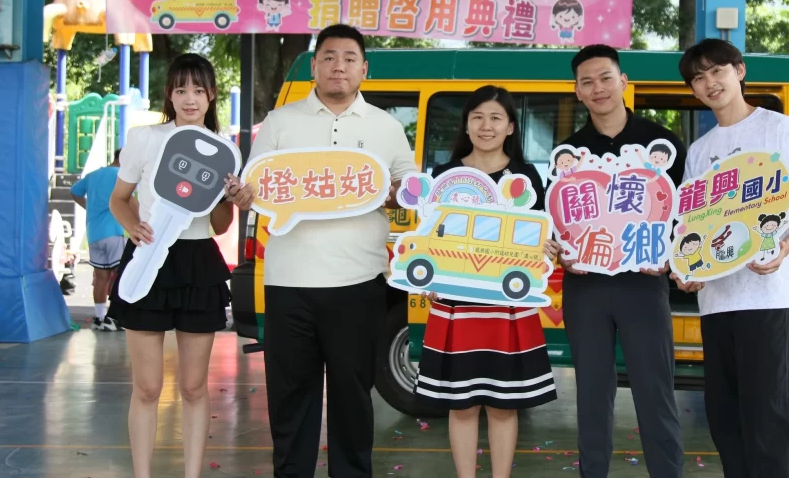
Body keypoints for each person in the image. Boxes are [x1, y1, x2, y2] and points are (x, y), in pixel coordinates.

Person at [238, 24, 417, 478]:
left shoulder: (386, 127)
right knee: (290, 397)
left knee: (352, 398)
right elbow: (254, 185)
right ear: (315, 65)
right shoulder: (280, 122)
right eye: (330, 57)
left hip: (358, 283)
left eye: (350, 58)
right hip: (288, 283)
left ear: (364, 69)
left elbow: (411, 190)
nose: (340, 66)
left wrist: (396, 194)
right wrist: (242, 195)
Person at [674, 39, 789, 478]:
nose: (709, 83)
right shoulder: (700, 151)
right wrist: (688, 272)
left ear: (739, 71)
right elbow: (693, 229)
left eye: (716, 71)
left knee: (769, 416)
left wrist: (785, 247)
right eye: (698, 78)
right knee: (725, 416)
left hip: (767, 297)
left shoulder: (779, 129)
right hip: (717, 302)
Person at [107, 53, 254, 478]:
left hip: (198, 264)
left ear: (211, 96)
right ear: (169, 95)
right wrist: (133, 226)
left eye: (198, 90)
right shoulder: (144, 138)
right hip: (148, 260)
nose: (190, 98)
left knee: (193, 386)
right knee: (147, 387)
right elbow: (118, 199)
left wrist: (231, 198)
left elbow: (220, 224)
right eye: (181, 89)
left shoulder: (225, 152)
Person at [546, 44, 686, 478]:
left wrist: (671, 257)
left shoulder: (662, 144)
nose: (598, 88)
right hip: (586, 286)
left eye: (606, 77)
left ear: (623, 81)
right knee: (591, 393)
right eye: (587, 82)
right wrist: (560, 250)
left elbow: (685, 213)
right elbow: (557, 220)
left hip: (644, 284)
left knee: (655, 392)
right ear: (577, 92)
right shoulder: (568, 154)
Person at [414, 85, 557, 478]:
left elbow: (538, 237)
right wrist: (429, 271)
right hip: (455, 303)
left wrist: (545, 248)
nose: (486, 126)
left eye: (496, 118)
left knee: (502, 403)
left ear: (510, 126)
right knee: (461, 404)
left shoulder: (525, 177)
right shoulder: (445, 175)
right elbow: (431, 236)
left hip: (507, 305)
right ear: (467, 124)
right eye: (477, 117)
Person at [71, 148, 126, 331]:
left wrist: (88, 207)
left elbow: (75, 191)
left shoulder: (93, 175)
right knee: (120, 274)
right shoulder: (121, 175)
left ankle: (100, 318)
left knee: (101, 277)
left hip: (94, 233)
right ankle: (115, 317)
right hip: (113, 231)